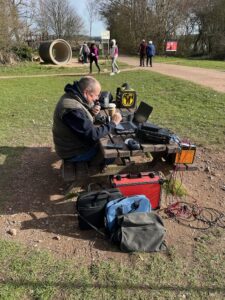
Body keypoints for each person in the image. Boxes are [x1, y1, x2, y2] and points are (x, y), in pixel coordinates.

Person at [52, 76, 122, 163]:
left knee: (106, 144)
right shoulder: (72, 110)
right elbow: (93, 136)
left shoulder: (72, 96)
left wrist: (90, 112)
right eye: (95, 95)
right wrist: (113, 123)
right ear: (86, 93)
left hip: (72, 145)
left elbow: (79, 121)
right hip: (72, 153)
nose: (97, 99)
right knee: (111, 155)